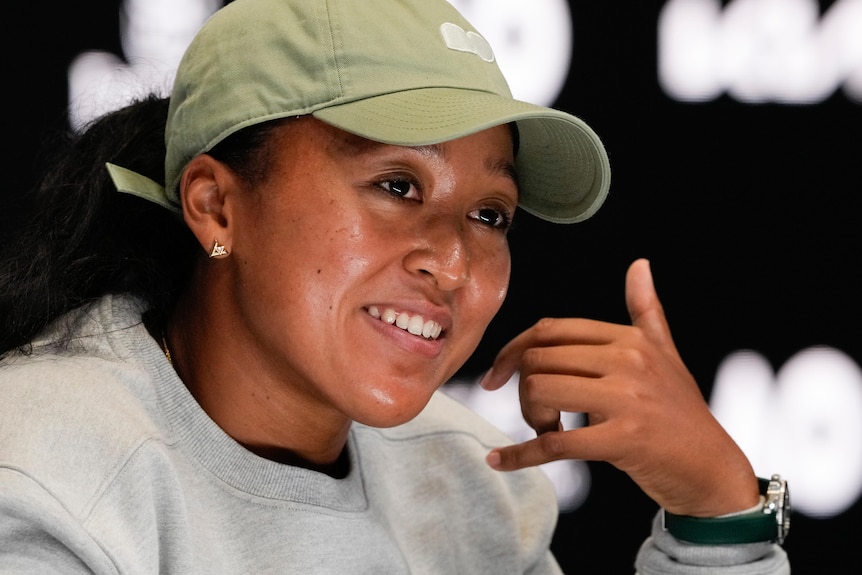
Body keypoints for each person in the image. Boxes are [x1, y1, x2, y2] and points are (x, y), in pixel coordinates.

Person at [0, 0, 790, 573]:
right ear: (216, 203)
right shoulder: (37, 475)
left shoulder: (472, 486)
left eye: (489, 213)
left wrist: (715, 512)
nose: (451, 263)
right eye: (397, 186)